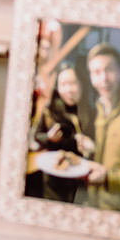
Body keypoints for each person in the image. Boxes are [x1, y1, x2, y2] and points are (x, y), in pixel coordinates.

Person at [81, 42, 120, 213]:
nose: (103, 79)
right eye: (96, 72)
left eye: (109, 70)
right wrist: (90, 149)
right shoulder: (100, 107)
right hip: (97, 206)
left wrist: (109, 177)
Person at [29, 61, 90, 203]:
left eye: (73, 83)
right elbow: (37, 137)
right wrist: (49, 138)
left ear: (82, 84)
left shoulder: (91, 111)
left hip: (82, 181)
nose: (68, 89)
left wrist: (89, 146)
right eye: (63, 84)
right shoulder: (50, 110)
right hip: (55, 180)